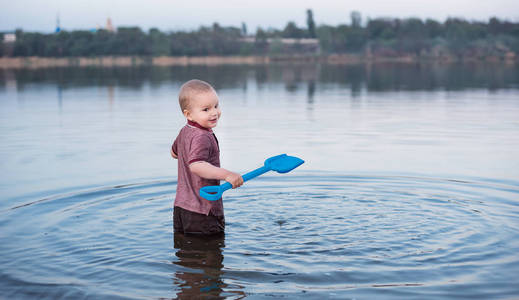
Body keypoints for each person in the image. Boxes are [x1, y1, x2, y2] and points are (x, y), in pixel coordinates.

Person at [170, 79, 243, 235]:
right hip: (204, 211)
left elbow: (174, 153)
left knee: (185, 254)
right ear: (188, 114)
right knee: (212, 255)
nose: (214, 112)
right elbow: (196, 165)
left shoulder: (185, 131)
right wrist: (227, 175)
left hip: (181, 208)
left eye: (216, 106)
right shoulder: (203, 136)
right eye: (206, 109)